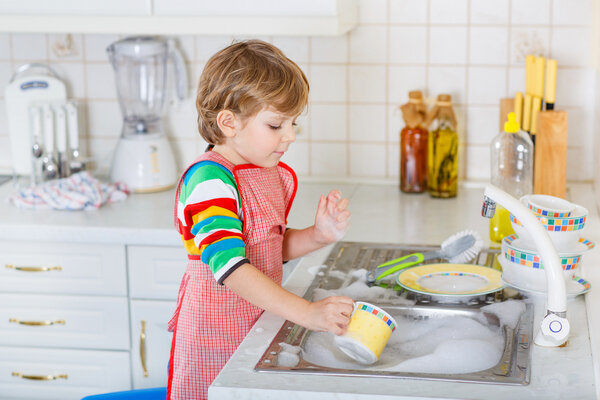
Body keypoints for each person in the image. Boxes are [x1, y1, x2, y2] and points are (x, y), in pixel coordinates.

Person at [167, 39, 354, 400]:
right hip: (215, 335)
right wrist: (309, 314)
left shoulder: (262, 169)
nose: (291, 135)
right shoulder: (210, 182)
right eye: (276, 125)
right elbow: (232, 267)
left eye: (293, 123)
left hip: (259, 320)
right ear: (229, 122)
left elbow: (268, 248)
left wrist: (318, 234)